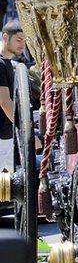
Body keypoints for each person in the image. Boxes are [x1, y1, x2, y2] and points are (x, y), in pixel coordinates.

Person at [0, 21, 25, 173]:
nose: (22, 45)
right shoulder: (0, 64)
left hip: (7, 135)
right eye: (18, 40)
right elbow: (4, 101)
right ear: (5, 37)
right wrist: (23, 132)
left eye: (24, 41)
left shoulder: (8, 63)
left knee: (7, 185)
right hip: (3, 136)